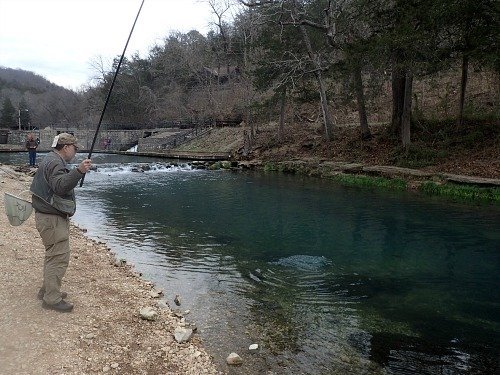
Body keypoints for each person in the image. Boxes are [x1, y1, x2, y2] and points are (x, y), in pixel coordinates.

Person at [30, 133, 92, 312]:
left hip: (46, 216)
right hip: (51, 219)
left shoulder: (50, 158)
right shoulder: (56, 162)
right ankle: (51, 299)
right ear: (66, 147)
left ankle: (47, 290)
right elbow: (60, 186)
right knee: (59, 257)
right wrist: (79, 171)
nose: (75, 151)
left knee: (52, 255)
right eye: (75, 148)